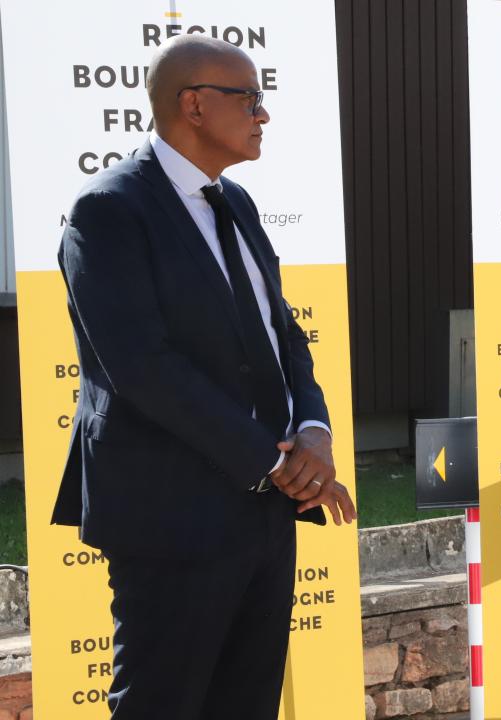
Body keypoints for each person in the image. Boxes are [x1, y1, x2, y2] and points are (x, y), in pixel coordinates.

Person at [52, 35, 357, 719]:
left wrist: (312, 430)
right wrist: (272, 462)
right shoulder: (108, 211)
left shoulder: (237, 203)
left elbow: (283, 335)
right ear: (193, 104)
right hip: (170, 517)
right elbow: (141, 367)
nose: (263, 115)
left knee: (246, 704)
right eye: (249, 98)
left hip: (266, 519)